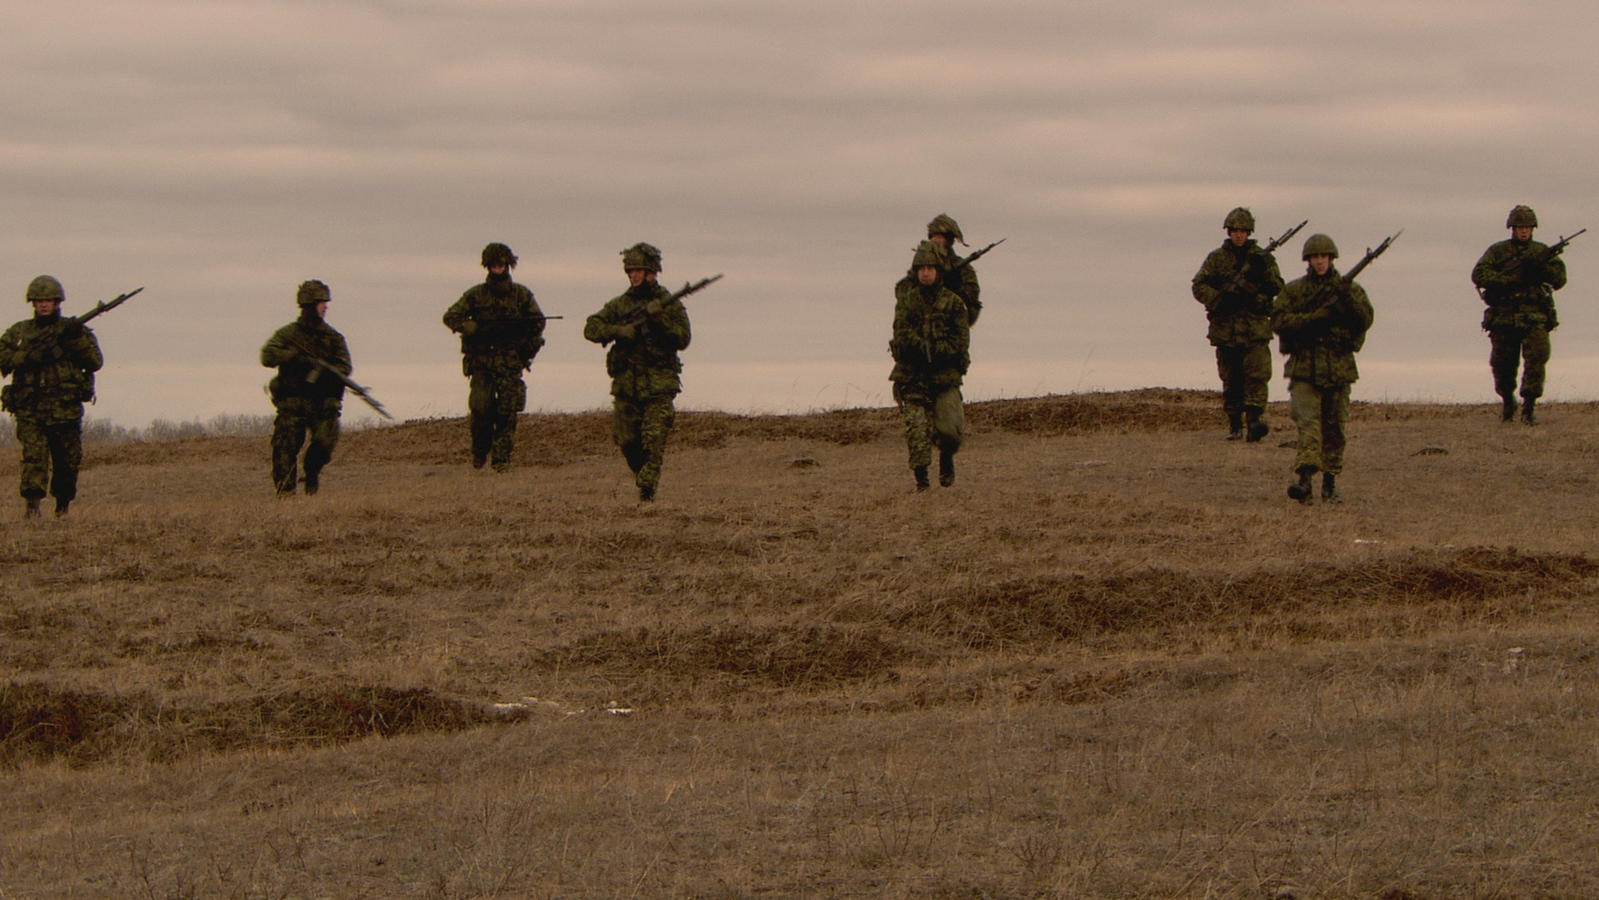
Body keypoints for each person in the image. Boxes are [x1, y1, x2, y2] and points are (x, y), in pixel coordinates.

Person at [1271, 234, 1374, 504]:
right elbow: (1279, 321)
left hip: (1338, 367)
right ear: (1308, 260)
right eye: (1315, 257)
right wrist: (1314, 318)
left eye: (1324, 257)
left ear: (1331, 258)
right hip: (1304, 367)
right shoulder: (1294, 291)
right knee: (1308, 426)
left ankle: (1330, 483)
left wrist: (1347, 296)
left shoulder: (1351, 289)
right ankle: (1304, 481)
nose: (1320, 262)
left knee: (1335, 428)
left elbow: (1365, 319)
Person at [584, 242, 691, 502]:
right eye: (631, 270)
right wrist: (618, 331)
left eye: (639, 270)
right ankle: (644, 477)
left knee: (653, 439)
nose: (634, 275)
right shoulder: (620, 305)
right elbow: (591, 327)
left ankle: (647, 491)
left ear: (652, 272)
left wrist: (660, 320)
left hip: (659, 385)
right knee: (626, 439)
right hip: (626, 385)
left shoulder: (668, 303)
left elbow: (683, 338)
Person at [0, 276, 104, 517]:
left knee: (66, 461)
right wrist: (27, 357)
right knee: (33, 459)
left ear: (58, 302)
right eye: (39, 300)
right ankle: (32, 508)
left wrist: (76, 342)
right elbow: (2, 355)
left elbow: (95, 362)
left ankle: (62, 508)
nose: (44, 305)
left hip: (64, 408)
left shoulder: (74, 331)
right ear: (32, 303)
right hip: (30, 409)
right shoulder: (20, 332)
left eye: (48, 300)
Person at [443, 242, 547, 470]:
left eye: (502, 263)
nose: (498, 267)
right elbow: (450, 316)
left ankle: (501, 462)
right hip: (482, 364)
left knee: (507, 414)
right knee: (480, 409)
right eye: (494, 264)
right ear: (487, 266)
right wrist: (468, 326)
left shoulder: (521, 294)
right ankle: (480, 451)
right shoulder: (475, 295)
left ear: (508, 265)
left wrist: (524, 344)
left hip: (510, 364)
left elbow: (538, 322)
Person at [1191, 207, 1285, 441]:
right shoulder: (1217, 259)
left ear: (1249, 232)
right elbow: (1199, 285)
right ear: (1229, 232)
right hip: (1226, 329)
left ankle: (1254, 422)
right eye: (1235, 231)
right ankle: (1235, 425)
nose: (1239, 235)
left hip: (1255, 328)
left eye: (1243, 231)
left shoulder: (1264, 258)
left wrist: (1261, 281)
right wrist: (1219, 298)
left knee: (1257, 375)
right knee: (1231, 378)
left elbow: (1278, 287)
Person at [1471, 205, 1568, 424]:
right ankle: (1508, 402)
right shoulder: (1498, 251)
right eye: (1519, 227)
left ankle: (1529, 407)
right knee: (1502, 364)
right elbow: (1479, 274)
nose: (1524, 231)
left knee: (1536, 361)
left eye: (1527, 227)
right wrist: (1508, 280)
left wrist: (1541, 269)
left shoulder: (1541, 252)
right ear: (1512, 228)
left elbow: (1560, 279)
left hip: (1535, 317)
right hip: (1504, 317)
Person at [889, 240, 971, 491]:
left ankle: (946, 458)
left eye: (930, 267)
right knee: (916, 429)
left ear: (938, 271)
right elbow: (900, 333)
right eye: (921, 268)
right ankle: (922, 481)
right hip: (913, 376)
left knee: (950, 432)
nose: (925, 272)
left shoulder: (954, 303)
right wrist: (917, 346)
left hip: (944, 376)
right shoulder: (907, 301)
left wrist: (937, 350)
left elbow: (960, 342)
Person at [260, 279, 351, 496]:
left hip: (323, 403)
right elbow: (267, 356)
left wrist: (325, 372)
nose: (325, 307)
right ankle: (286, 493)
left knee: (324, 444)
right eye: (321, 302)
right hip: (293, 402)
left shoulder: (333, 337)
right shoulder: (288, 335)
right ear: (310, 304)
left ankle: (311, 472)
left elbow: (345, 367)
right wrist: (293, 357)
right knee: (285, 447)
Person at [896, 213, 982, 326]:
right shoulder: (922, 265)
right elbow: (901, 292)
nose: (936, 241)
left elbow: (971, 308)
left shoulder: (963, 269)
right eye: (933, 236)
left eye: (941, 237)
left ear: (949, 240)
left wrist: (955, 290)